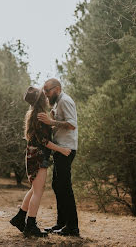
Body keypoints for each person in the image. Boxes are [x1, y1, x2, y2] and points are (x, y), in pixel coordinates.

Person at [9, 86, 71, 238]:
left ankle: (19, 218)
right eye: (43, 95)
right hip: (38, 156)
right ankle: (30, 225)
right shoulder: (39, 116)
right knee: (38, 191)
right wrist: (61, 150)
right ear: (40, 99)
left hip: (34, 155)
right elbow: (44, 140)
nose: (46, 96)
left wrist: (50, 120)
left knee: (34, 189)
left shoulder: (35, 114)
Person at [37, 78, 80, 237]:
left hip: (66, 149)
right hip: (60, 148)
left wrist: (51, 121)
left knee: (65, 188)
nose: (46, 94)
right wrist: (54, 118)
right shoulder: (57, 102)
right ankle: (61, 224)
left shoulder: (65, 101)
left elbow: (72, 124)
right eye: (44, 91)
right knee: (57, 185)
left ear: (56, 88)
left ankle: (73, 228)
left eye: (47, 91)